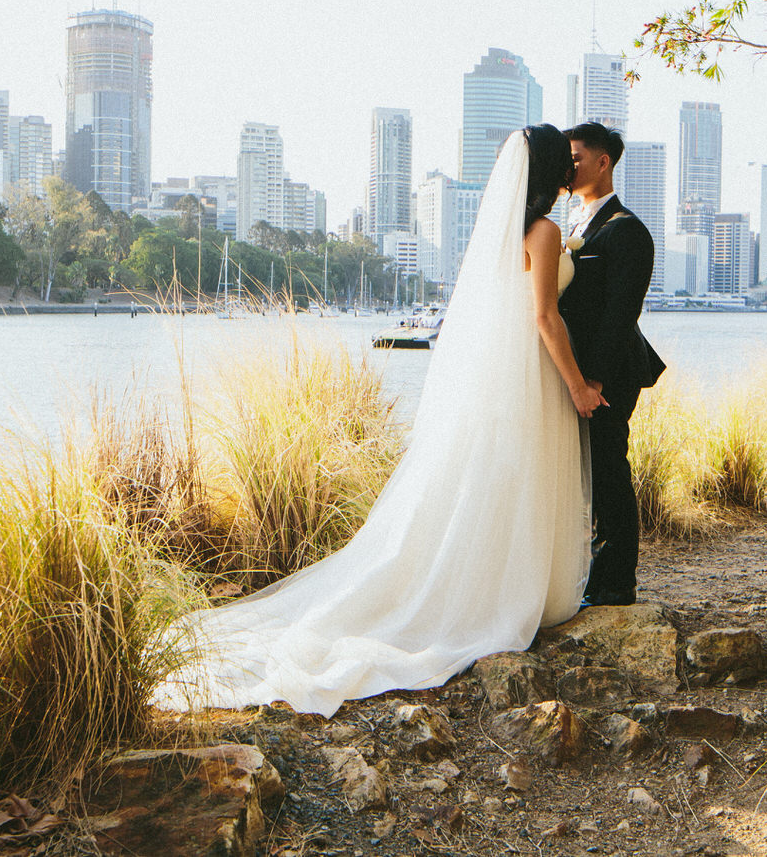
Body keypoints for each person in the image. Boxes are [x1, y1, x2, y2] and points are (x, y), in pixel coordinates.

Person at [151, 125, 603, 716]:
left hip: (508, 382)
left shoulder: (507, 234)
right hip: (535, 379)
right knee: (517, 482)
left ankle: (489, 581)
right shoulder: (542, 231)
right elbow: (545, 318)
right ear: (549, 172)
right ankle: (500, 594)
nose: (572, 168)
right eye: (562, 162)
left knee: (494, 485)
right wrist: (578, 385)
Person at [559, 122, 667, 607]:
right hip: (579, 370)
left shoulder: (628, 230)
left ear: (603, 162)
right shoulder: (575, 223)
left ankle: (617, 582)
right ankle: (592, 573)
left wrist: (593, 378)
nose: (570, 166)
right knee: (590, 470)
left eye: (577, 157)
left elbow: (622, 314)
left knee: (608, 469)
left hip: (611, 373)